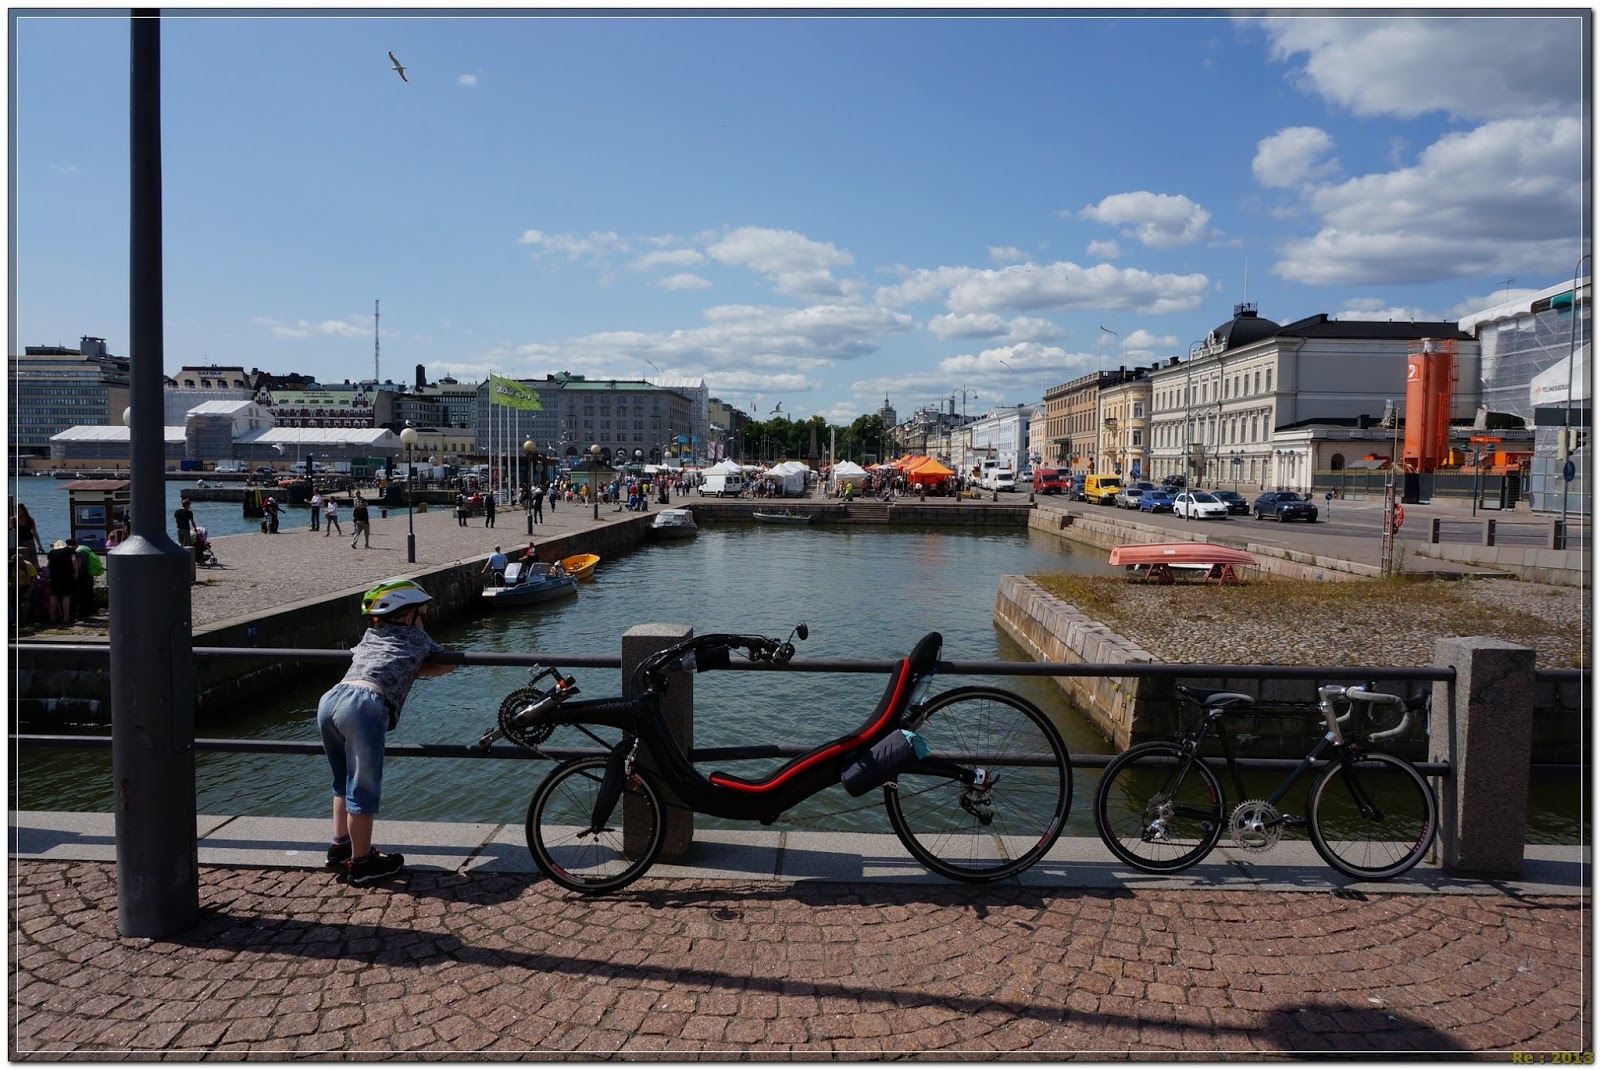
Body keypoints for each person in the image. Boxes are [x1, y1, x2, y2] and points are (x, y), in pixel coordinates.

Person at [317, 579, 454, 885]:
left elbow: (372, 660)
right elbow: (447, 665)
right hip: (364, 705)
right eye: (422, 615)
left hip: (332, 699)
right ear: (408, 617)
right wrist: (416, 666)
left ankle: (340, 847)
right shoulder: (417, 639)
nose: (423, 620)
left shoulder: (371, 634)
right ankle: (363, 864)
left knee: (342, 782)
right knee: (363, 788)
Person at [45, 539, 77, 623]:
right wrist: (76, 572)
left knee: (54, 596)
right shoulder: (70, 550)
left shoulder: (52, 552)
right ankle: (66, 617)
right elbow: (74, 560)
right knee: (66, 596)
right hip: (66, 575)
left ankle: (52, 617)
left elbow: (48, 564)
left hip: (54, 576)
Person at [12, 502, 44, 568]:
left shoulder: (29, 520)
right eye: (16, 510)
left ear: (23, 510)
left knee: (32, 560)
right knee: (20, 559)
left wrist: (40, 545)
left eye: (19, 510)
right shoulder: (13, 520)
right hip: (19, 542)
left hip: (29, 541)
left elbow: (35, 533)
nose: (17, 512)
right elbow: (11, 532)